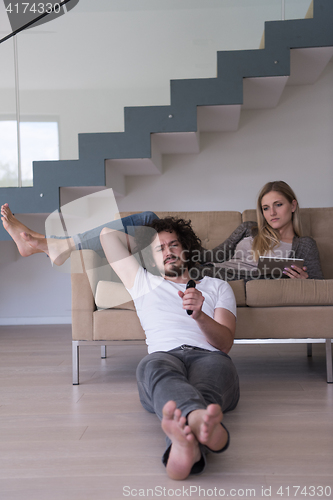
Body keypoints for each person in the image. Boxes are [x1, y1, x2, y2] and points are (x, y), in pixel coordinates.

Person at [99, 216, 240, 479]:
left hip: (209, 357)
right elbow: (108, 235)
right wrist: (145, 241)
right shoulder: (142, 282)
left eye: (173, 245)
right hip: (164, 357)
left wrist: (199, 315)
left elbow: (225, 344)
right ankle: (202, 426)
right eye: (159, 249)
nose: (168, 252)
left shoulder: (217, 286)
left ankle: (185, 444)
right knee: (153, 367)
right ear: (150, 258)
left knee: (214, 373)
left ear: (185, 248)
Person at [0, 180, 323, 279]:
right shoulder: (249, 228)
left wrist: (304, 282)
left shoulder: (304, 245)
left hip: (206, 277)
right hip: (200, 264)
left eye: (278, 205)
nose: (271, 213)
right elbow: (216, 254)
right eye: (266, 207)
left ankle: (48, 245)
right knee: (148, 218)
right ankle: (50, 244)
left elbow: (321, 286)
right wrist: (181, 248)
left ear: (293, 205)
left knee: (124, 243)